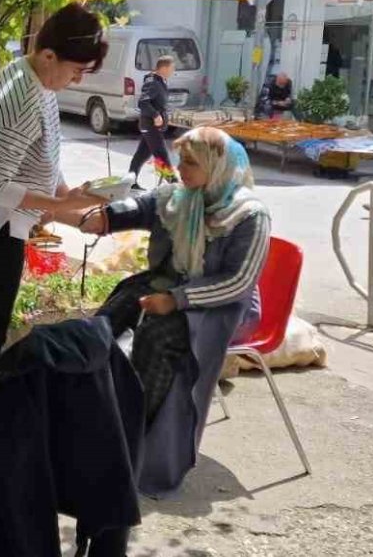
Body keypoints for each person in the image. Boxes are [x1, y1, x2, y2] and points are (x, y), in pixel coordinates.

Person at [71, 127, 270, 497]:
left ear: (218, 166)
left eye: (192, 163)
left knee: (156, 337)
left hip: (221, 307)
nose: (181, 169)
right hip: (173, 286)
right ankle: (93, 415)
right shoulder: (180, 198)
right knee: (110, 316)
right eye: (181, 160)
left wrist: (176, 299)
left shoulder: (248, 216)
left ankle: (134, 444)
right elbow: (142, 206)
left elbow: (238, 282)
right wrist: (104, 215)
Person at [0, 3, 109, 380]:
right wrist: (57, 203)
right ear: (49, 55)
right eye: (76, 71)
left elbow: (45, 151)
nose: (77, 81)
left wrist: (66, 193)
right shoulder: (20, 95)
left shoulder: (36, 79)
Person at [128, 55, 176, 187]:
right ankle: (174, 183)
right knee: (161, 155)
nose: (173, 71)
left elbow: (157, 102)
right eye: (172, 68)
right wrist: (156, 115)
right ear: (164, 68)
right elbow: (143, 102)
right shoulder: (153, 82)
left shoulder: (160, 81)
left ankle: (130, 182)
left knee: (141, 155)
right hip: (150, 125)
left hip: (151, 126)